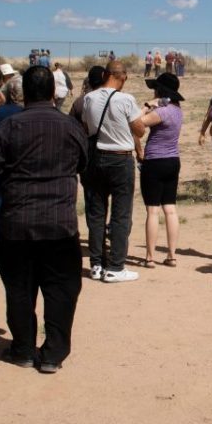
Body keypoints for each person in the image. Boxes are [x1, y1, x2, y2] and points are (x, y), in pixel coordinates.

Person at [0, 66, 88, 373]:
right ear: (54, 93)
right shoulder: (70, 126)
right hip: (60, 224)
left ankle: (23, 349)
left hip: (17, 223)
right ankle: (53, 353)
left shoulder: (10, 126)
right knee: (62, 290)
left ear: (24, 93)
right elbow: (84, 162)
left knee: (19, 289)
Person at [81, 60, 144, 283]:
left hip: (95, 158)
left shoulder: (88, 98)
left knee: (96, 213)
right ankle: (116, 266)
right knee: (120, 214)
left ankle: (96, 264)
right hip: (120, 159)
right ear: (122, 77)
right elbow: (140, 129)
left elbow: (87, 127)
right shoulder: (126, 99)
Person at [137, 73, 184, 268]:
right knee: (170, 209)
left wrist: (148, 105)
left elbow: (137, 122)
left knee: (153, 211)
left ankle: (150, 256)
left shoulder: (161, 112)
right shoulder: (177, 111)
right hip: (173, 160)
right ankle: (171, 255)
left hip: (155, 161)